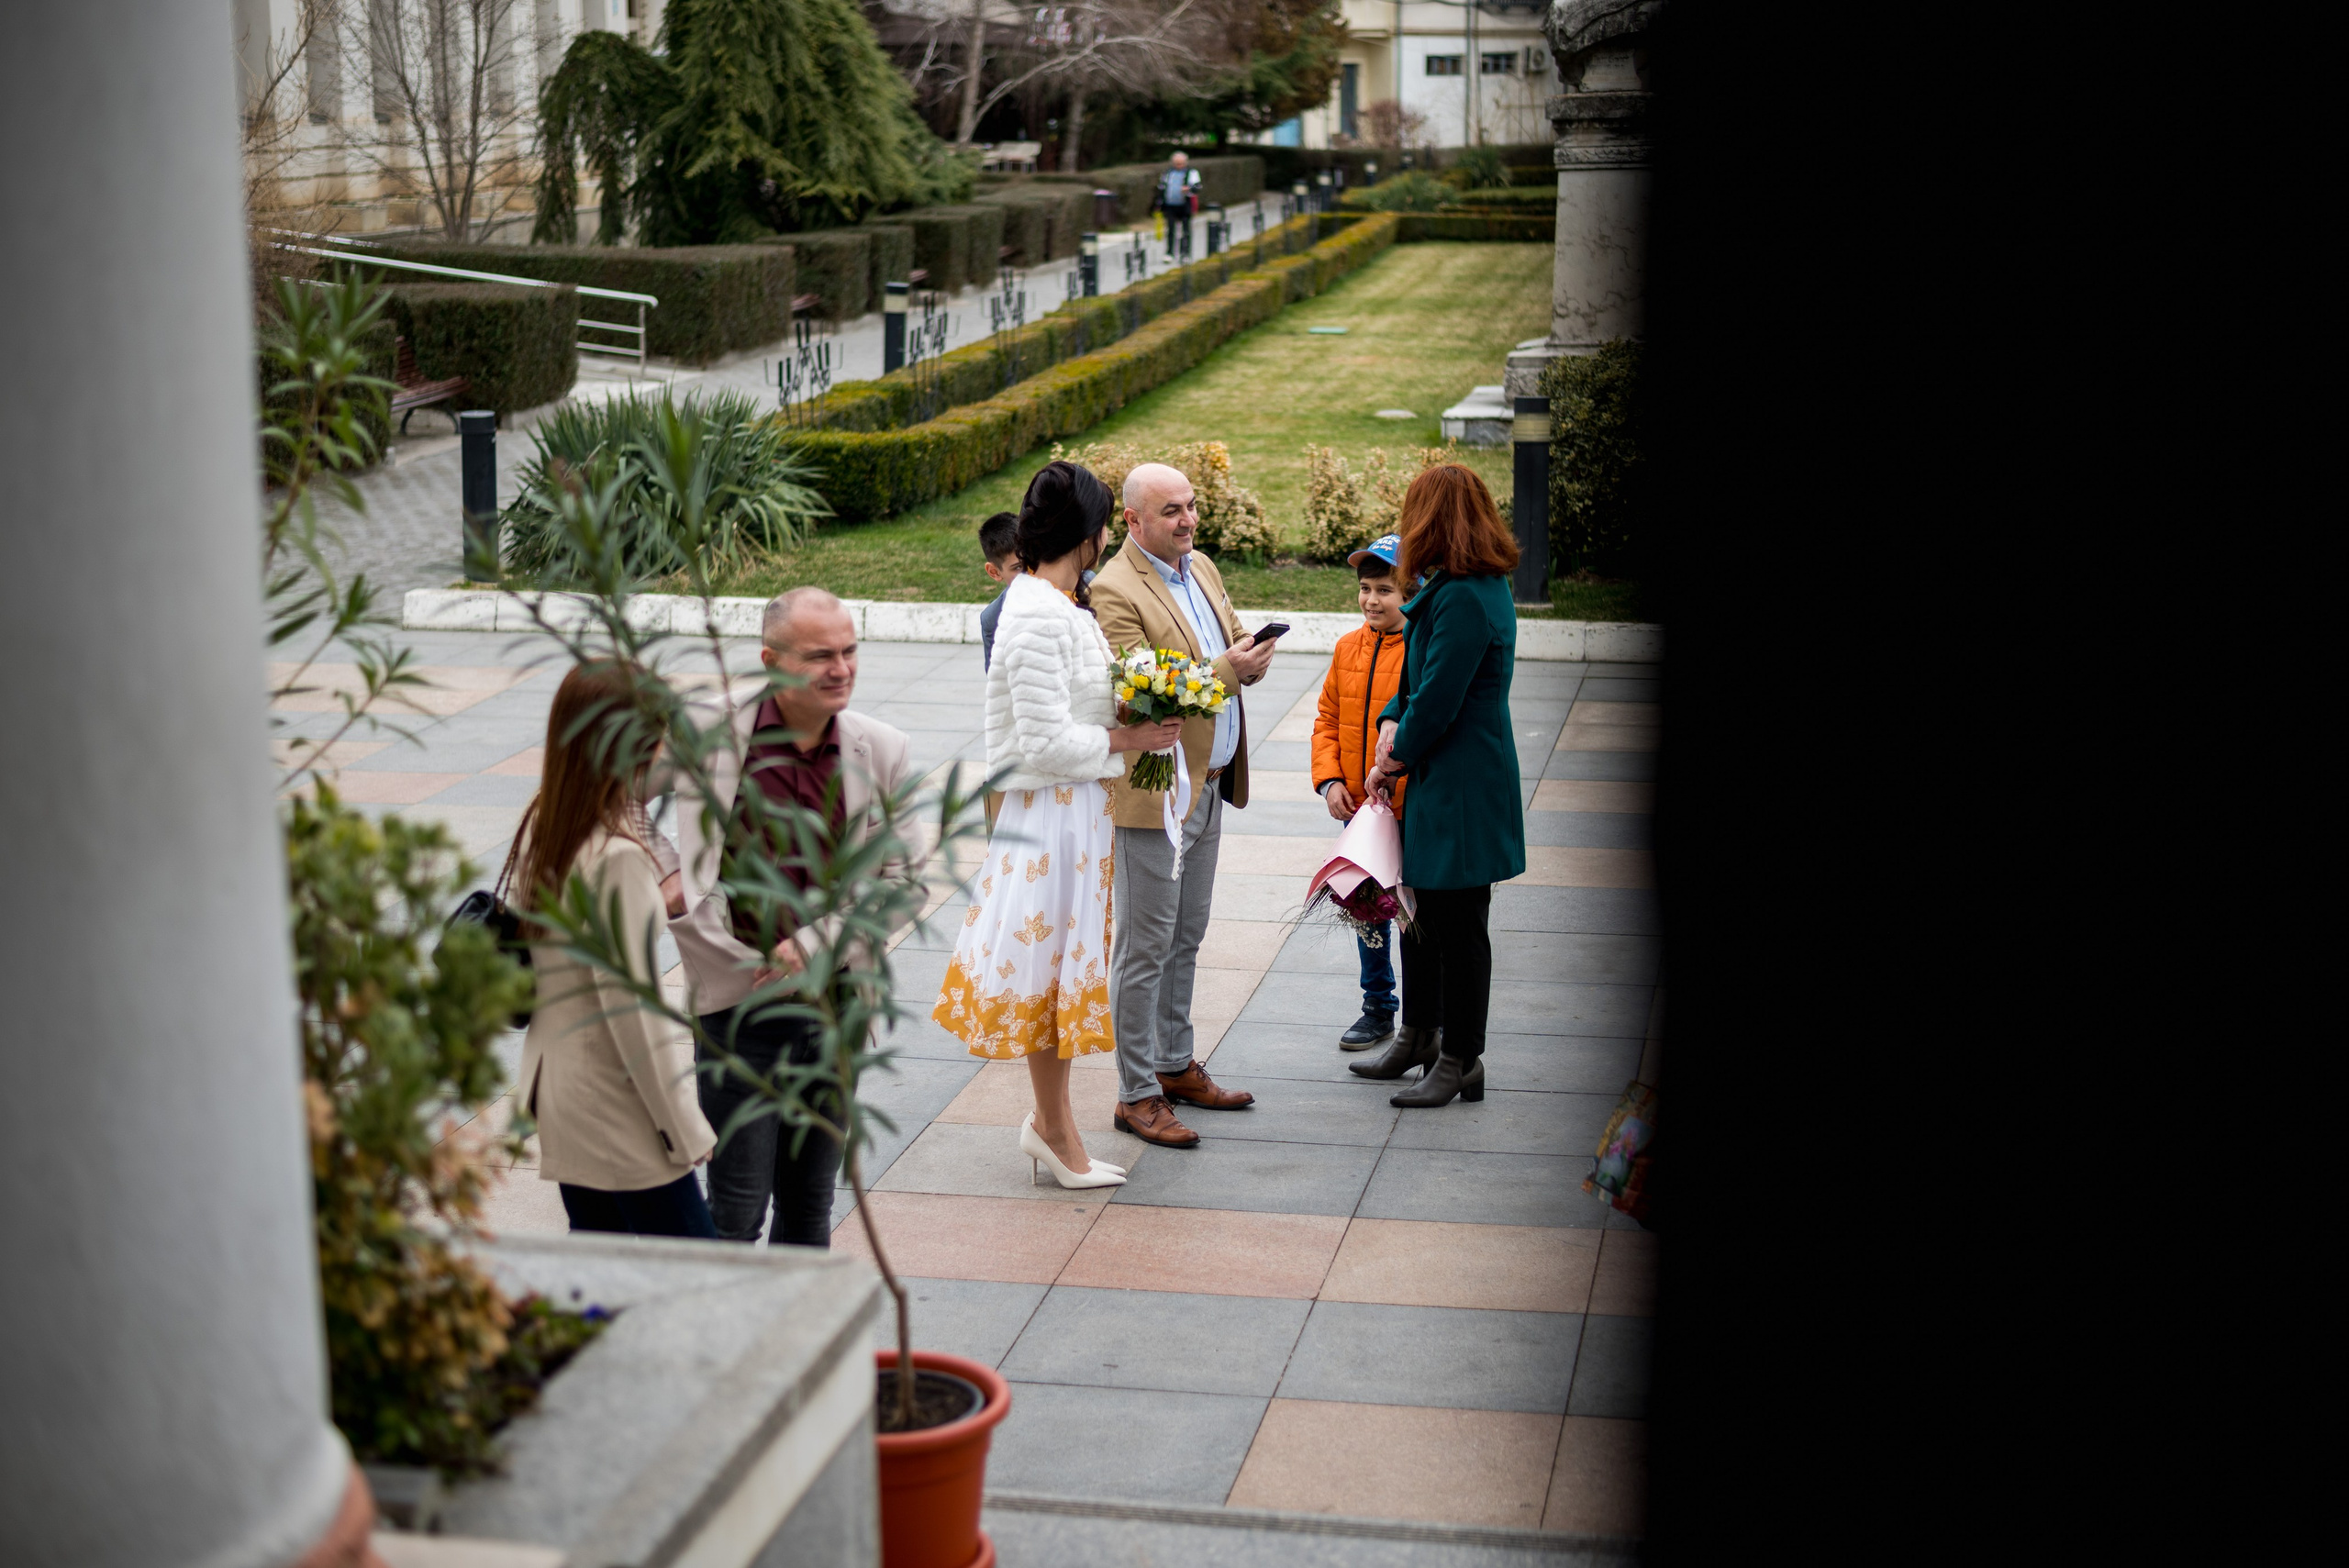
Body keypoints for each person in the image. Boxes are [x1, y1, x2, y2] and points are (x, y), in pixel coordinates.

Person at [930, 461, 1183, 1189]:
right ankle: (1055, 1131)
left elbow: (1077, 707)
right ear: (1092, 532)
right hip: (1051, 819)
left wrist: (1136, 705)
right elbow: (1041, 742)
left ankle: (1053, 1127)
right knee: (1050, 981)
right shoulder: (1040, 611)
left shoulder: (1058, 603)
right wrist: (1129, 741)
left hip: (1074, 814)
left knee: (1059, 981)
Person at [665, 587, 919, 1246]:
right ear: (772, 661)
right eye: (820, 656)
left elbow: (908, 878)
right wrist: (666, 875)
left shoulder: (881, 748)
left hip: (834, 1008)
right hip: (737, 1005)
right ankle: (718, 1345)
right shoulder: (710, 733)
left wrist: (816, 941)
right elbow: (613, 794)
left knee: (810, 1209)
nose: (841, 669)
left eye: (849, 651)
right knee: (735, 1211)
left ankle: (793, 1347)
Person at [1091, 462, 1278, 1148]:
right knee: (1145, 946)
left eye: (1191, 505)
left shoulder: (1199, 568)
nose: (1188, 519)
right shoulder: (1112, 590)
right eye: (1171, 510)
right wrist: (1232, 669)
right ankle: (1135, 1092)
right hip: (1154, 794)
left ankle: (1174, 1063)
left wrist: (1252, 656)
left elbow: (1229, 641)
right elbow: (1146, 690)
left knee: (1187, 935)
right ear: (1133, 521)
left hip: (1212, 780)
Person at [516, 662, 719, 1239]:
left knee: (602, 1284)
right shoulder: (620, 859)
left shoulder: (549, 821)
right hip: (618, 1107)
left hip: (562, 1086)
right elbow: (633, 1009)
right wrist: (682, 1125)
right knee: (704, 1282)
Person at [1357, 465, 1528, 1107]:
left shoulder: (1466, 594)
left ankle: (1461, 1057)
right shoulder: (1457, 587)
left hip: (1462, 782)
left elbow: (1439, 701)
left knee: (1459, 925)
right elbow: (1415, 686)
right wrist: (1390, 723)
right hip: (1444, 775)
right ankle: (1421, 1034)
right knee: (1421, 913)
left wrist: (1389, 756)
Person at [1310, 531, 1412, 1051]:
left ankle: (1422, 1019)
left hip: (1407, 807)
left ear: (1409, 593)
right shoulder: (1348, 646)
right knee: (1367, 909)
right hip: (1360, 810)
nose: (1372, 600)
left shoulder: (1421, 646)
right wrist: (1330, 781)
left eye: (1385, 590)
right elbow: (1327, 719)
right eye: (1365, 588)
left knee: (1415, 915)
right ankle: (1378, 1007)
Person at [975, 510, 1020, 673]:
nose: (1030, 574)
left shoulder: (1077, 587)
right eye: (1018, 568)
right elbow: (998, 685)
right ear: (994, 572)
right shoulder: (993, 620)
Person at [1158, 150, 1200, 260]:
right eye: (1176, 163)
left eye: (1181, 163)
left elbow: (1197, 187)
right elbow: (1162, 188)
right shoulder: (1168, 173)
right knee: (1170, 230)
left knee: (1185, 230)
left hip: (1184, 205)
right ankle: (1170, 252)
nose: (1179, 166)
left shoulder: (1192, 172)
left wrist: (1189, 189)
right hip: (1170, 205)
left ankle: (1185, 253)